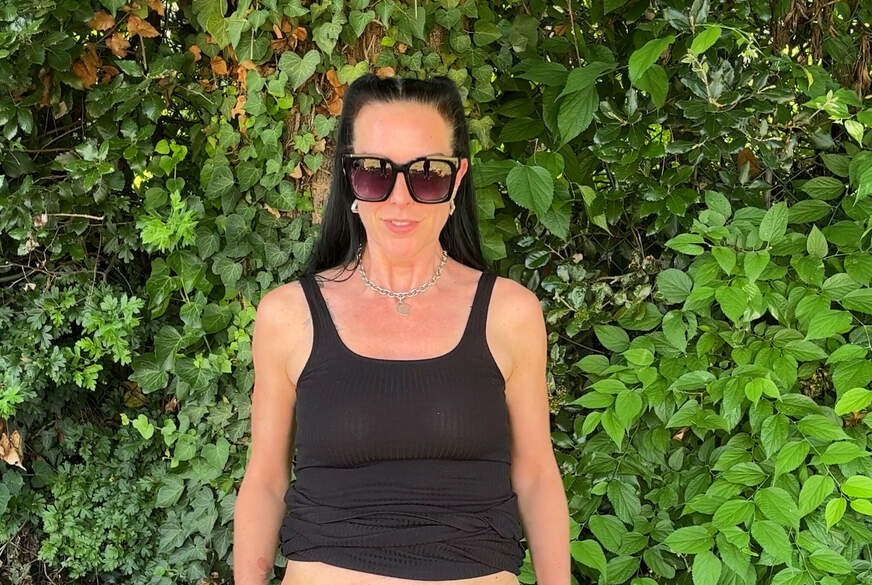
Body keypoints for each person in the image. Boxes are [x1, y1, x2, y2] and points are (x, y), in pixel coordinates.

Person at [234, 73, 569, 585]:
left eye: (427, 174)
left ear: (457, 178)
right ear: (348, 176)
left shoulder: (509, 313)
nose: (399, 199)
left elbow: (537, 476)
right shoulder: (288, 315)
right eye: (375, 172)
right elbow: (265, 480)